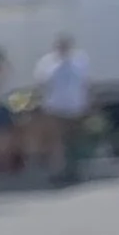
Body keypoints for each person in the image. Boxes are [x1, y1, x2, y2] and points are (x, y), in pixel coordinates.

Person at [35, 34, 91, 185]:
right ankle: (57, 172)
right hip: (54, 107)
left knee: (74, 140)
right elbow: (41, 84)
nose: (63, 49)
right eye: (60, 46)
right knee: (57, 142)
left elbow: (85, 83)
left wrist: (88, 102)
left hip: (75, 106)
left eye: (66, 46)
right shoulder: (47, 62)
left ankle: (74, 170)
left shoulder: (80, 60)